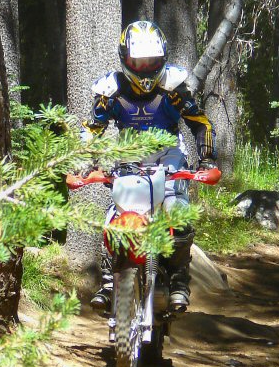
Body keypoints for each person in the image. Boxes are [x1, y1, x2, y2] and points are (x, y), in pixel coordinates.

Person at [80, 20, 214, 315]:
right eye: (137, 62)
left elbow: (199, 122)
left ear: (162, 59)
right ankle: (108, 281)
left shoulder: (173, 89)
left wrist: (206, 162)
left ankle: (179, 282)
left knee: (178, 212)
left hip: (169, 160)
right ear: (124, 59)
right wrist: (84, 164)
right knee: (115, 216)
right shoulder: (111, 90)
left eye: (150, 61)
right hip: (129, 159)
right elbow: (92, 128)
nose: (144, 68)